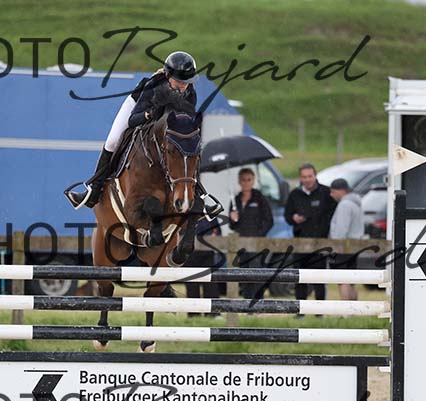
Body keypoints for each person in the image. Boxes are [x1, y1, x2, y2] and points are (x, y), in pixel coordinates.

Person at [64, 51, 220, 217]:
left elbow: (184, 124)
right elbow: (133, 120)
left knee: (188, 148)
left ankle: (199, 196)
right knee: (113, 141)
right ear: (168, 76)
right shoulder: (153, 86)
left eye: (186, 82)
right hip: (138, 109)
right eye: (179, 81)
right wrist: (148, 115)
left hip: (164, 126)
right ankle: (93, 190)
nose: (183, 85)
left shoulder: (190, 93)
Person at [283, 163, 337, 304]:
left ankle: (320, 310)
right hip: (300, 243)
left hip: (320, 243)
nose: (307, 179)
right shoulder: (294, 194)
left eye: (309, 176)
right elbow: (287, 216)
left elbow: (333, 215)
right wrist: (294, 218)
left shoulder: (326, 192)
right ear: (300, 178)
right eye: (304, 177)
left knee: (319, 279)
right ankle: (300, 309)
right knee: (300, 278)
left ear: (315, 176)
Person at [229, 168, 274, 300]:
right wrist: (233, 218)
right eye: (243, 180)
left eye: (249, 180)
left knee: (256, 272)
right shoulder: (235, 200)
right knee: (244, 273)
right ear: (239, 181)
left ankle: (257, 302)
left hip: (257, 243)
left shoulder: (260, 198)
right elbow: (232, 226)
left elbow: (269, 220)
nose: (246, 182)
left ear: (253, 181)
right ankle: (246, 302)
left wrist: (259, 235)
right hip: (241, 243)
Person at [328, 178, 364, 301]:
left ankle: (346, 308)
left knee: (342, 279)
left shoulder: (344, 205)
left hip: (343, 247)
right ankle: (354, 307)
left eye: (333, 191)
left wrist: (335, 247)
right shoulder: (356, 203)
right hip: (354, 246)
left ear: (342, 191)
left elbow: (341, 229)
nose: (331, 195)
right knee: (351, 280)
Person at [184, 216, 222, 317]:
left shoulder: (209, 214)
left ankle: (213, 313)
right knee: (192, 286)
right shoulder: (186, 213)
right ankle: (194, 313)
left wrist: (215, 236)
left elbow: (217, 232)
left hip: (207, 253)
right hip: (190, 253)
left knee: (211, 284)